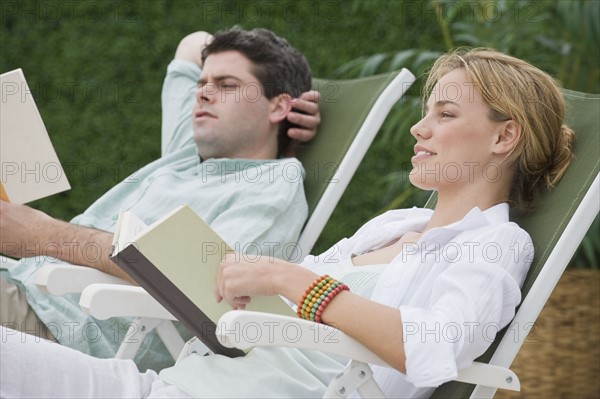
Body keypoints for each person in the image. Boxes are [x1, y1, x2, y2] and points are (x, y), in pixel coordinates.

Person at [0, 47, 575, 398]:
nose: (418, 130)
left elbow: (436, 346)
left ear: (504, 136)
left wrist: (289, 279)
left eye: (444, 114)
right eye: (425, 113)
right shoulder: (392, 225)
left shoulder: (495, 244)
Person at [0, 28, 321, 371]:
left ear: (279, 106)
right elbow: (192, 42)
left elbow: (207, 284)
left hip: (63, 328)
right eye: (201, 84)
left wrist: (45, 236)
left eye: (227, 85)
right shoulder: (187, 151)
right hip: (19, 282)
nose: (204, 95)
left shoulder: (273, 184)